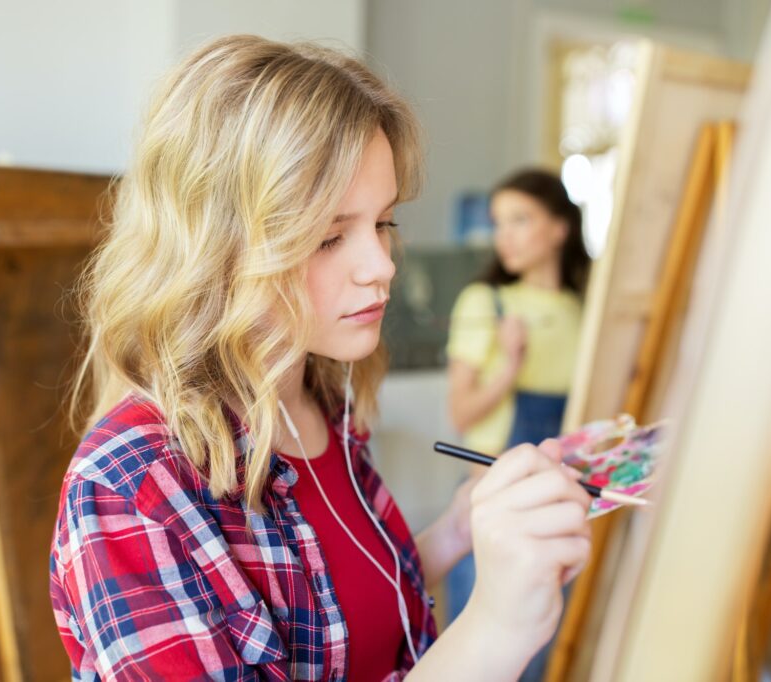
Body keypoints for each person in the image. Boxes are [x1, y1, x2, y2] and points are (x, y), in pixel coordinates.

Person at [49, 36, 591, 681]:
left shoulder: (320, 396)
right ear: (215, 248)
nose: (382, 266)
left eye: (384, 224)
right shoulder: (130, 490)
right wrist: (497, 626)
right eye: (331, 236)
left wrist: (455, 531)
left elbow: (336, 609)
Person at [444, 168, 591, 680]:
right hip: (488, 510)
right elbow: (460, 414)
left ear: (559, 229)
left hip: (556, 513)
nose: (503, 235)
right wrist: (509, 364)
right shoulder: (486, 302)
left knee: (543, 655)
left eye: (520, 219)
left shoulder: (585, 312)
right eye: (498, 222)